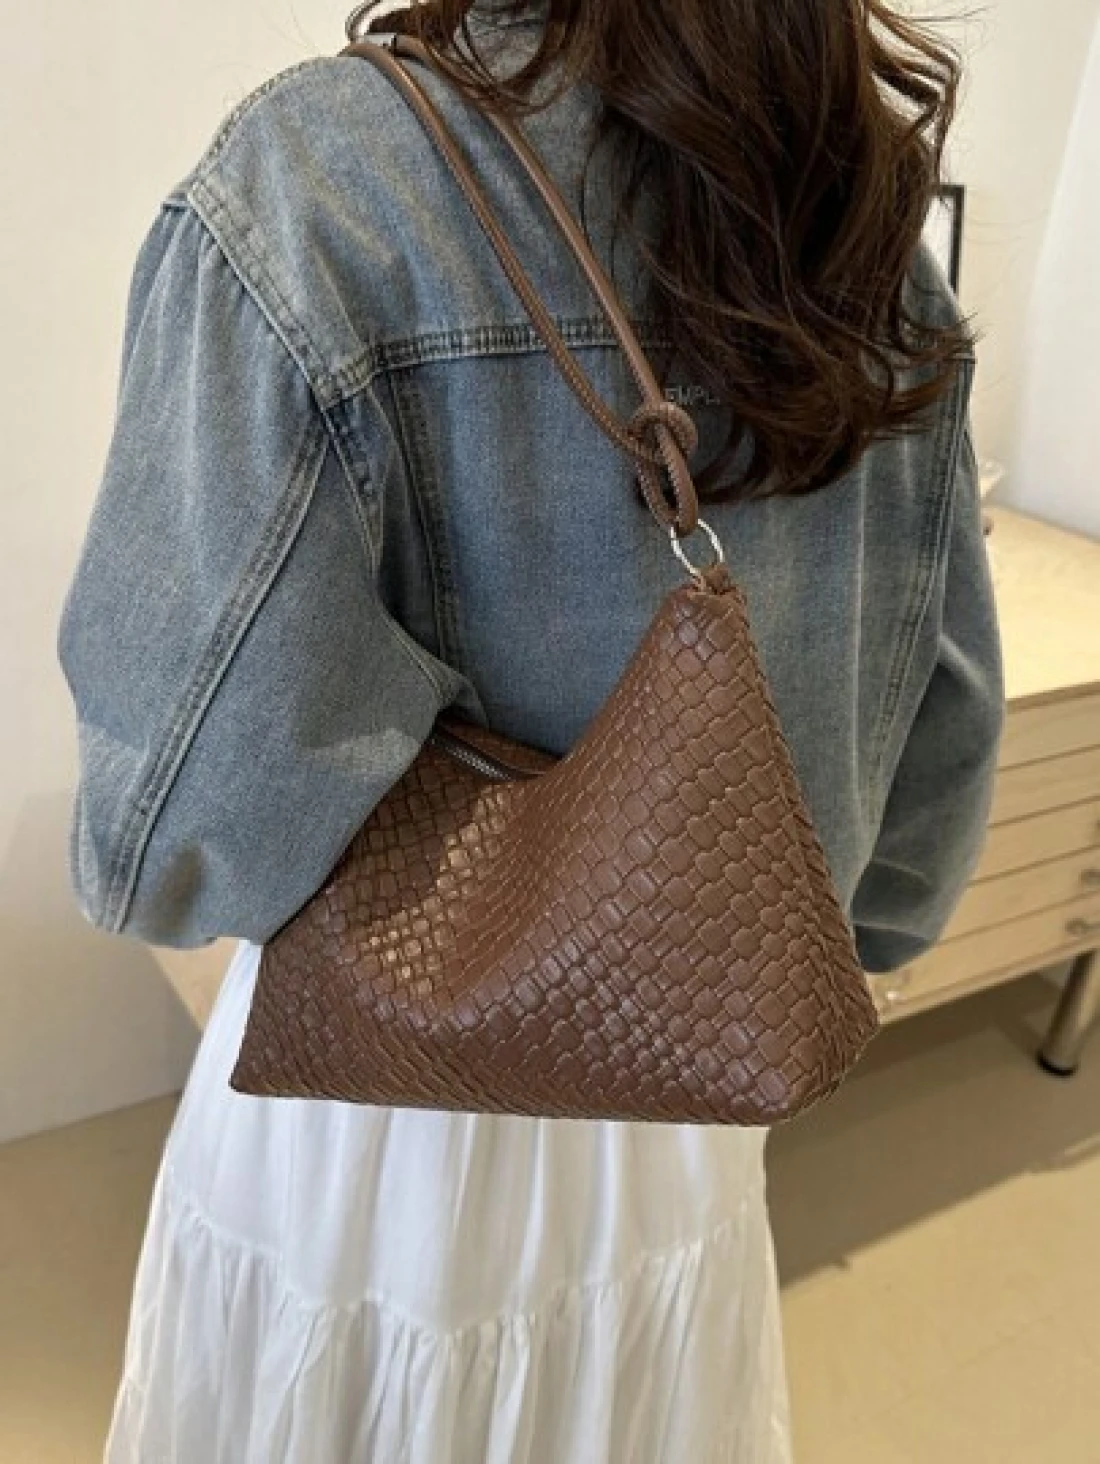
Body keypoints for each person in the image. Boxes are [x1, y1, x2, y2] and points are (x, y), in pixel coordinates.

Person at [59, 2, 1004, 1459]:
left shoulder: (323, 182)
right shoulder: (854, 210)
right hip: (683, 1131)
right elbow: (916, 832)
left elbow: (170, 848)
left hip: (373, 1141)